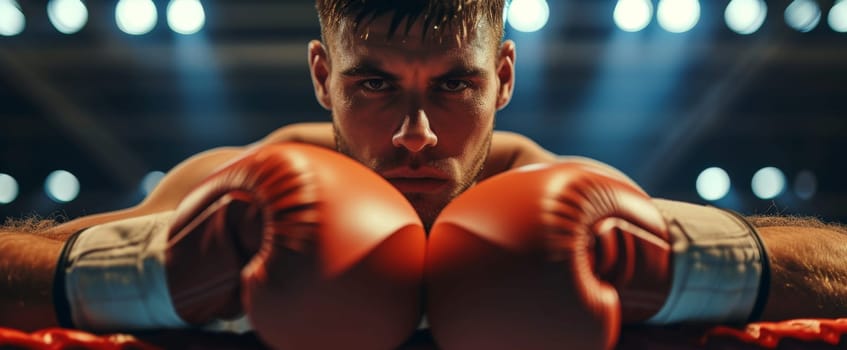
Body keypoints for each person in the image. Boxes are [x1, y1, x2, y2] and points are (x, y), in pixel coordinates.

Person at [2, 0, 847, 349]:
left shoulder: (580, 197)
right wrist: (147, 269)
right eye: (373, 84)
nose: (415, 135)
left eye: (454, 85)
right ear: (321, 76)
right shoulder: (233, 188)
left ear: (504, 77)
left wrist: (691, 264)